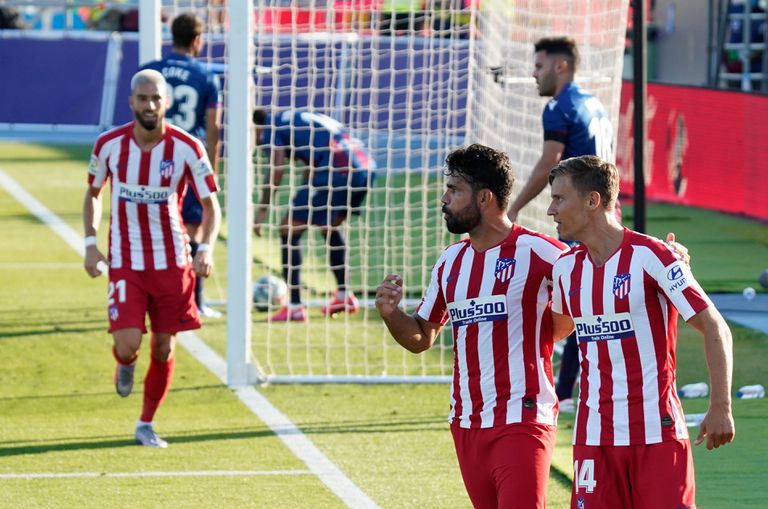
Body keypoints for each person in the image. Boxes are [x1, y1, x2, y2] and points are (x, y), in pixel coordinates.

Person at [376, 144, 571, 508]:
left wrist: (668, 256)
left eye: (454, 190)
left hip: (523, 418)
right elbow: (422, 336)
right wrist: (392, 315)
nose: (443, 198)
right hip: (466, 421)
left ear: (484, 198)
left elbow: (595, 285)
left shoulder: (542, 253)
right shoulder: (450, 262)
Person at [546, 155, 735, 508]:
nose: (550, 210)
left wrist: (721, 405)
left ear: (592, 201)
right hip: (594, 439)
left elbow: (714, 326)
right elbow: (553, 333)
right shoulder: (565, 269)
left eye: (559, 199)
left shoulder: (655, 257)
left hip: (657, 434)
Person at [82, 69, 221, 448]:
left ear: (167, 102)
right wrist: (90, 242)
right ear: (131, 102)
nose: (149, 105)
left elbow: (211, 206)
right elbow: (93, 194)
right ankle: (125, 364)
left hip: (173, 263)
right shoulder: (108, 145)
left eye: (156, 99)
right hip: (126, 263)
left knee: (164, 347)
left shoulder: (188, 147)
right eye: (142, 98)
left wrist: (204, 248)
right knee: (128, 344)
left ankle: (146, 423)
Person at [507, 36, 615, 411]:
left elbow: (548, 164)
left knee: (575, 300)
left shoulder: (559, 107)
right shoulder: (594, 104)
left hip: (583, 220)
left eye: (539, 67)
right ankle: (575, 388)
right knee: (594, 301)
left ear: (560, 66)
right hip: (606, 215)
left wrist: (515, 206)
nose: (534, 75)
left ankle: (567, 391)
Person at [253, 109, 376, 322]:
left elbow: (277, 167)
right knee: (329, 226)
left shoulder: (273, 126)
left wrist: (262, 210)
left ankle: (294, 306)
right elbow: (312, 162)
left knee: (288, 229)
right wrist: (303, 196)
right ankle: (343, 295)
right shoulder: (299, 118)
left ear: (256, 125)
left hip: (337, 170)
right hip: (364, 167)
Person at [141, 12, 223, 318]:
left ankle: (148, 294)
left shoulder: (150, 71)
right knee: (191, 233)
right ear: (198, 40)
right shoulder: (205, 77)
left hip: (150, 161)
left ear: (170, 36)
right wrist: (211, 169)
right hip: (187, 164)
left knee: (148, 228)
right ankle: (193, 302)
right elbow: (212, 128)